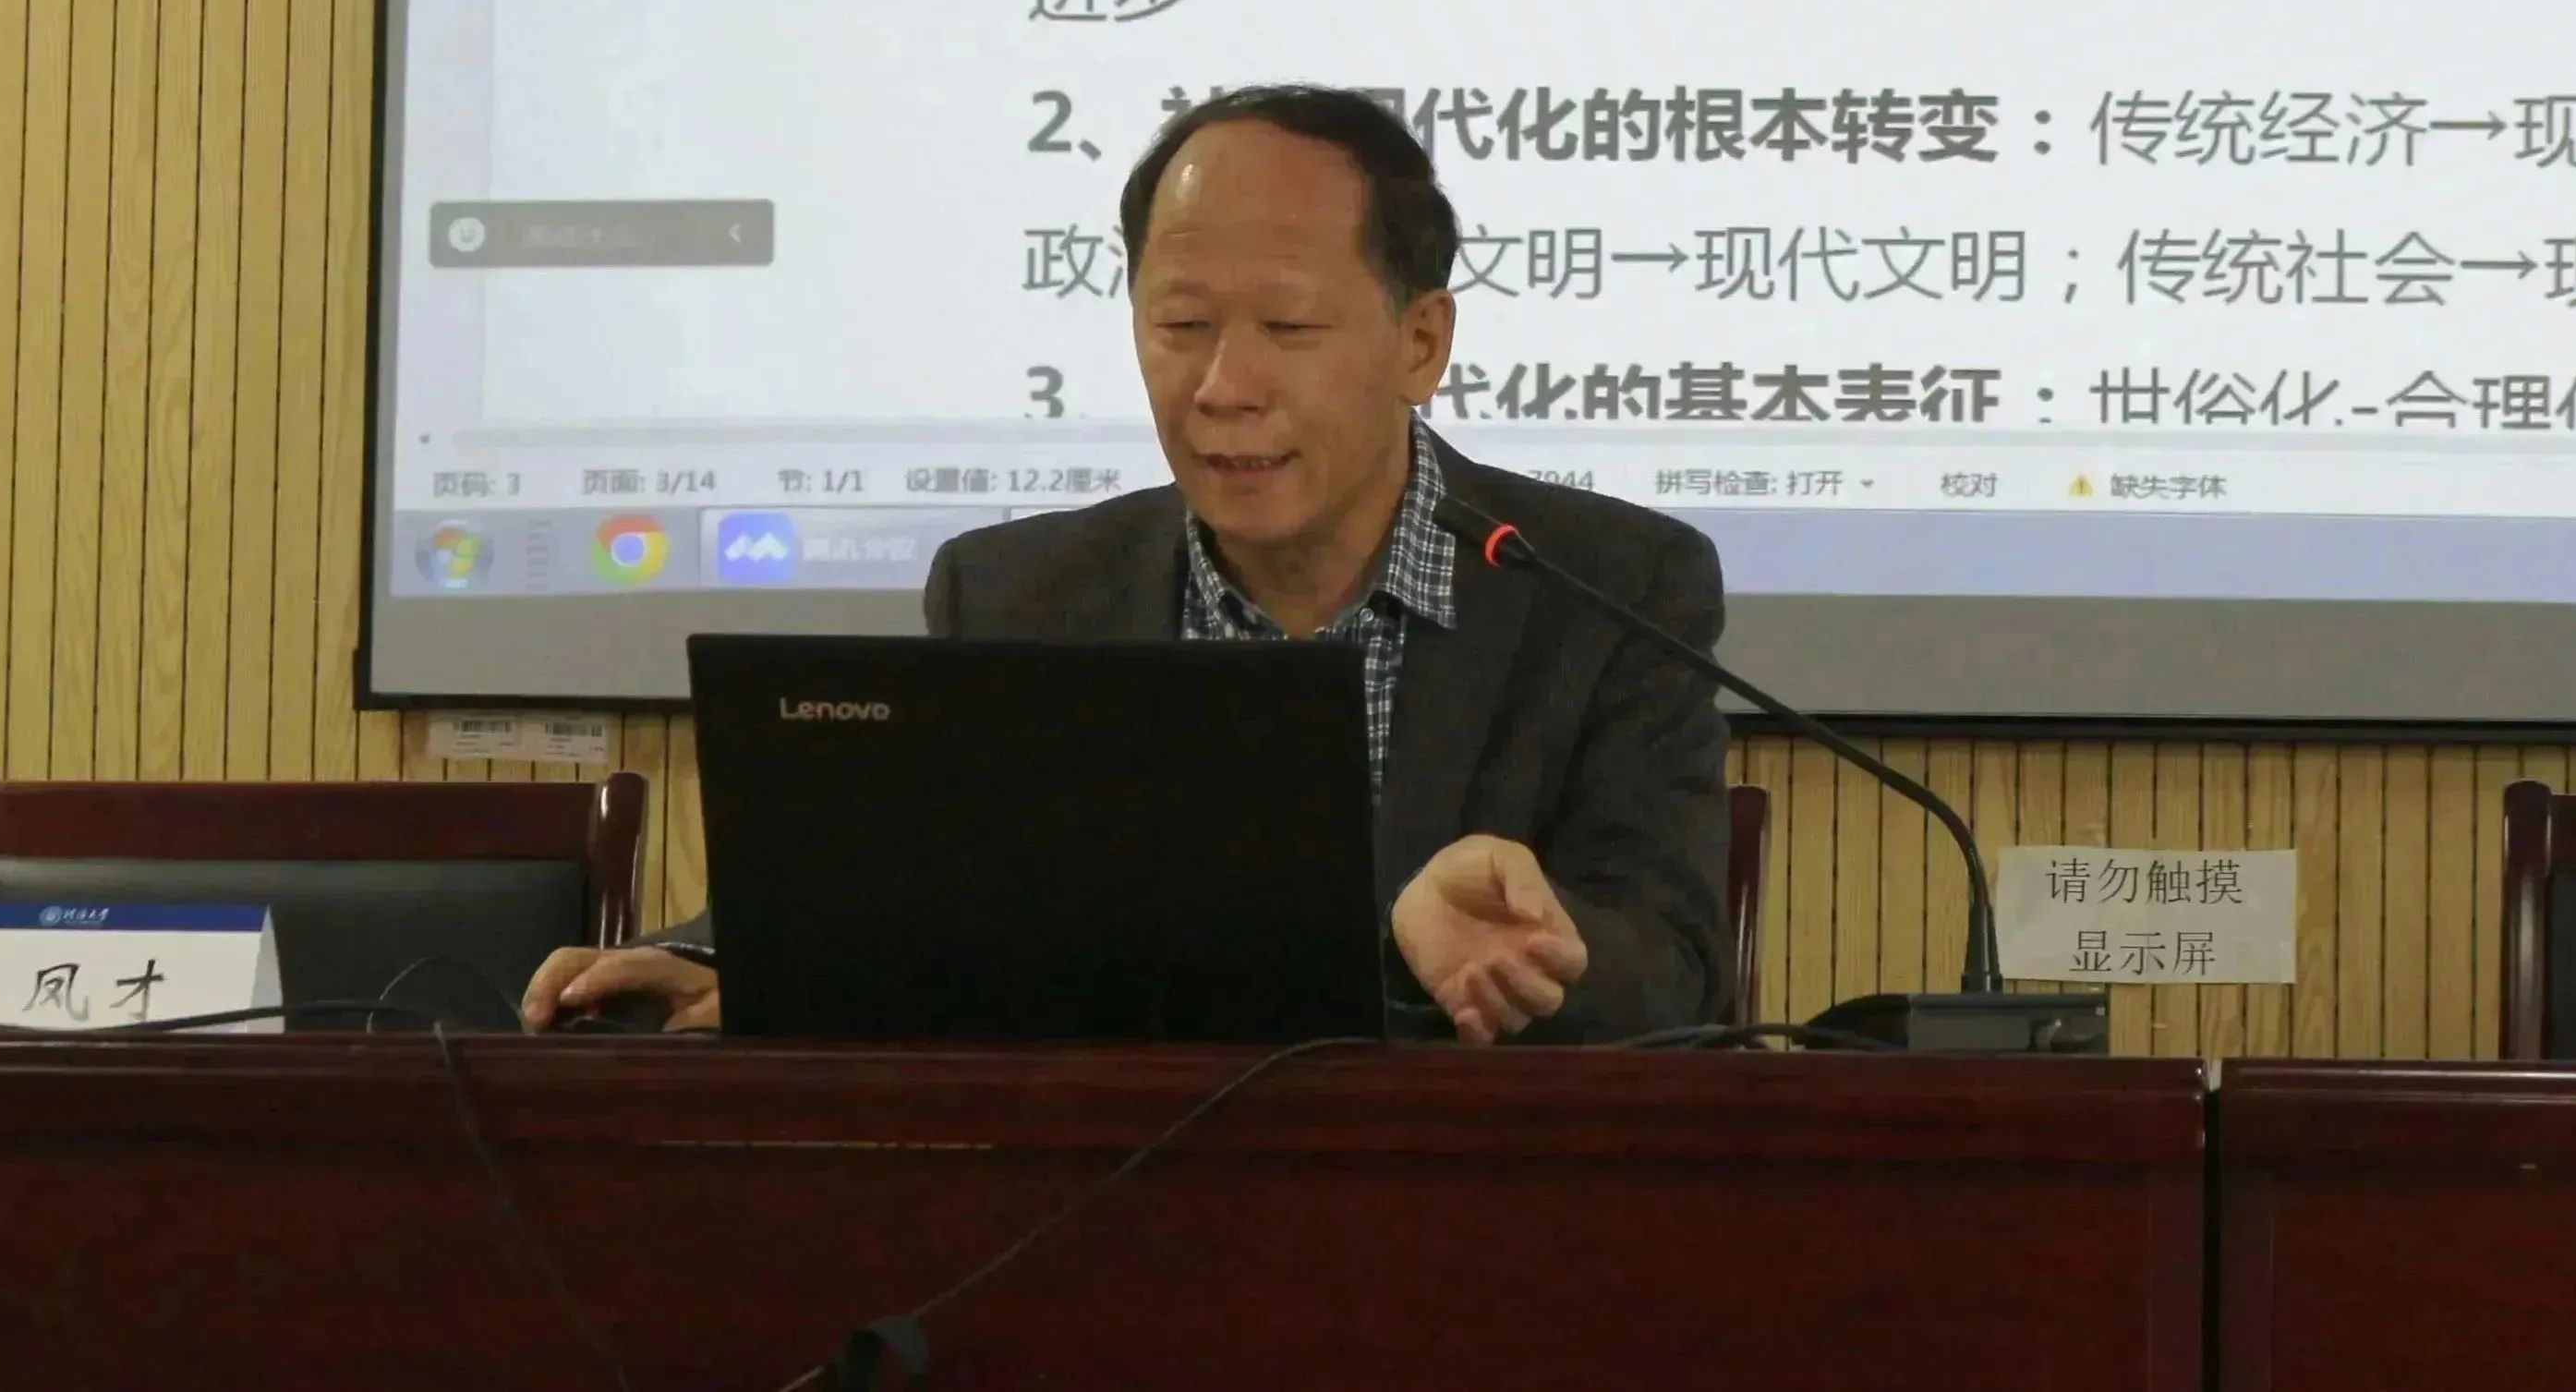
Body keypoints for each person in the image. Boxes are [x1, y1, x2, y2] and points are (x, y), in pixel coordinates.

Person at [526, 83, 1730, 1045]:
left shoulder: (1610, 587)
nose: (1224, 386)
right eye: (1181, 326)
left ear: (1421, 340)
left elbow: (1677, 971)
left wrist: (1539, 950)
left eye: (1289, 329)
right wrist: (713, 957)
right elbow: (909, 893)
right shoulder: (1018, 594)